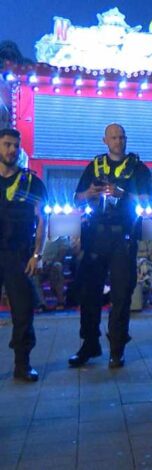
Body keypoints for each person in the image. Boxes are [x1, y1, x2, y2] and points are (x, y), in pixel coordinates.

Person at [68, 124, 152, 368]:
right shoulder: (95, 166)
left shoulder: (137, 168)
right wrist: (90, 193)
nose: (119, 141)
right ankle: (89, 345)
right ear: (105, 140)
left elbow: (150, 200)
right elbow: (77, 198)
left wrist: (122, 194)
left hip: (123, 237)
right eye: (114, 137)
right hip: (94, 236)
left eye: (122, 137)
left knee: (121, 295)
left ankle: (117, 348)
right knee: (89, 293)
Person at [0, 128, 47, 382]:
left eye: (15, 146)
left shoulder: (31, 182)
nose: (11, 150)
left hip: (18, 255)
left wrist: (37, 254)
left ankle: (22, 365)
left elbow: (42, 219)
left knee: (23, 311)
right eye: (7, 144)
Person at [31, 235, 70, 311]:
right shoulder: (39, 237)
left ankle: (60, 301)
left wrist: (52, 262)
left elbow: (64, 250)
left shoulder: (60, 237)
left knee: (57, 266)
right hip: (41, 265)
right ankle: (41, 304)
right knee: (34, 274)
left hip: (54, 264)